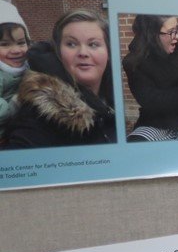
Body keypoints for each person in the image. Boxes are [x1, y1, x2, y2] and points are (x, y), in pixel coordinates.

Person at [5, 9, 114, 149]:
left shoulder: (113, 100)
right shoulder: (39, 116)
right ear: (58, 53)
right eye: (71, 44)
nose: (83, 53)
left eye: (93, 44)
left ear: (108, 52)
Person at [0, 0, 29, 133]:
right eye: (5, 44)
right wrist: (15, 105)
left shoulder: (29, 65)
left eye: (21, 43)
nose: (16, 50)